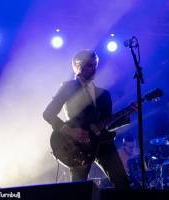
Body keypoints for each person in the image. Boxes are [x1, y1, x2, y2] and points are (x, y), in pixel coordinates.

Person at [43, 49, 130, 189]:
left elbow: (106, 124)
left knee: (123, 184)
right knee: (78, 190)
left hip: (102, 143)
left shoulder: (104, 94)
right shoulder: (68, 87)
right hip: (77, 145)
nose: (94, 68)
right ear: (78, 66)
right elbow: (48, 113)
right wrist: (70, 131)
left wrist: (126, 116)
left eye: (95, 65)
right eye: (89, 65)